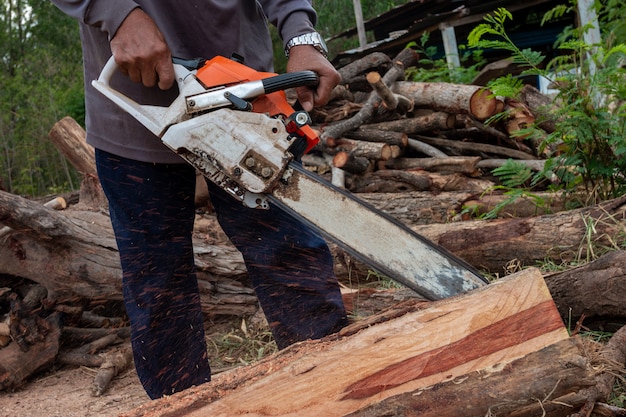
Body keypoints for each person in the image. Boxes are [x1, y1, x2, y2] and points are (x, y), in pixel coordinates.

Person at [51, 1, 348, 399]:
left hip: (246, 104)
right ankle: (183, 404)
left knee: (288, 254)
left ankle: (335, 390)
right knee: (158, 283)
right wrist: (118, 12)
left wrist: (301, 33)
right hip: (134, 107)